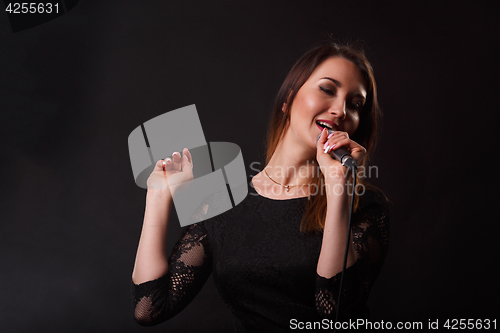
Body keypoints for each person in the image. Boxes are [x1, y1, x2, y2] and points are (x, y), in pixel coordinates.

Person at [131, 42, 389, 332]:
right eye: (327, 89)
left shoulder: (366, 206)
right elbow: (149, 308)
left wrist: (338, 187)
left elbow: (335, 315)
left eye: (355, 104)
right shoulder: (224, 198)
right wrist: (157, 196)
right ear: (288, 100)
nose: (340, 110)